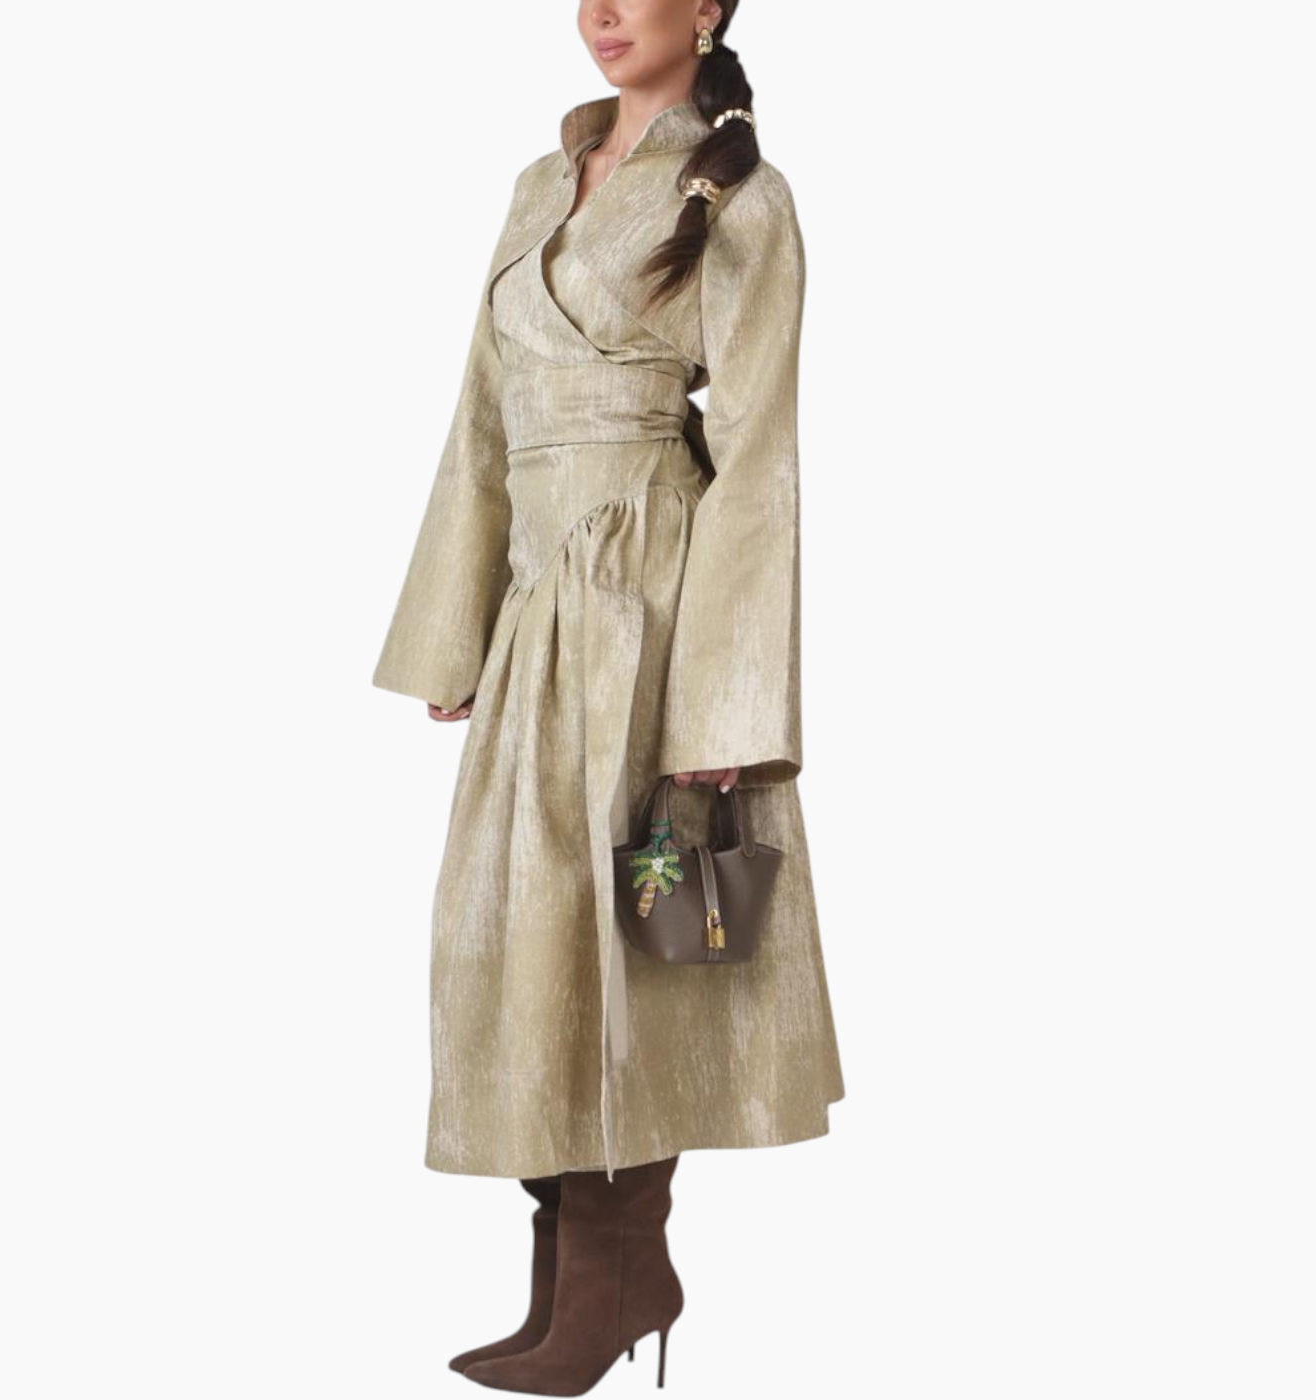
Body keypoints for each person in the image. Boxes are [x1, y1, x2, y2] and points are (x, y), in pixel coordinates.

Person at [369, 2, 844, 1391]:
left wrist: (724, 710)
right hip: (539, 614)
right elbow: (481, 416)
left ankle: (619, 1268)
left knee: (635, 946)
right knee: (525, 942)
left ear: (709, 8)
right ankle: (577, 1267)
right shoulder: (542, 180)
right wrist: (455, 630)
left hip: (655, 609)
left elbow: (757, 458)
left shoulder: (742, 193)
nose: (603, 11)